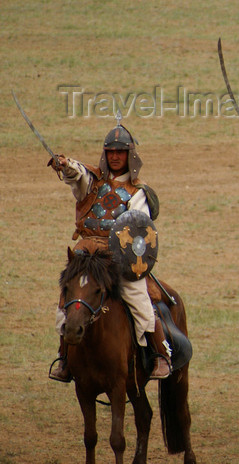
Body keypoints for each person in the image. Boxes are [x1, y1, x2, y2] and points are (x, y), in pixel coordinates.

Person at [48, 120, 171, 382]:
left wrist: (123, 259)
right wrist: (65, 165)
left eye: (120, 152)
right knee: (67, 300)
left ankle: (161, 355)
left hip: (117, 260)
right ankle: (65, 358)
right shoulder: (92, 181)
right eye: (110, 152)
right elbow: (76, 174)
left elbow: (138, 228)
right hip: (84, 257)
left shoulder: (138, 192)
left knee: (139, 298)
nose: (115, 157)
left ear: (130, 155)